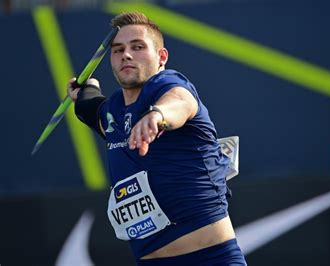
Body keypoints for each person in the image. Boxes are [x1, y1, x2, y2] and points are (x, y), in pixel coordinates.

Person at [67, 11, 247, 266]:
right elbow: (92, 111)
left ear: (161, 57)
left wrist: (157, 115)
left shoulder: (168, 84)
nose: (126, 54)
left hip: (210, 259)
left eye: (137, 47)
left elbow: (180, 102)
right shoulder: (114, 111)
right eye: (118, 50)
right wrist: (87, 91)